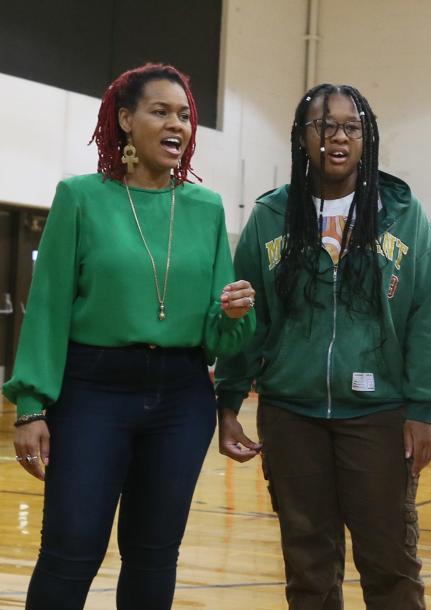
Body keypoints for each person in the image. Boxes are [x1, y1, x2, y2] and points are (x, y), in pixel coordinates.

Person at [1, 63, 256, 610]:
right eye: (160, 111)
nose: (178, 124)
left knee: (154, 555)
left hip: (182, 396)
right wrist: (30, 406)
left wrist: (235, 313)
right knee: (71, 550)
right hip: (92, 391)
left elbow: (219, 338)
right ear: (124, 120)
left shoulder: (207, 208)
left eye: (185, 115)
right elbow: (47, 310)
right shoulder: (80, 197)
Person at [214, 83, 431, 610]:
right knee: (308, 566)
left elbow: (424, 316)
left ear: (367, 139)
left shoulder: (402, 215)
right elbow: (247, 314)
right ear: (301, 137)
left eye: (351, 127)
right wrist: (228, 400)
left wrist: (422, 407)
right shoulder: (272, 216)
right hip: (291, 413)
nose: (337, 137)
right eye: (324, 125)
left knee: (390, 562)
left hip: (379, 414)